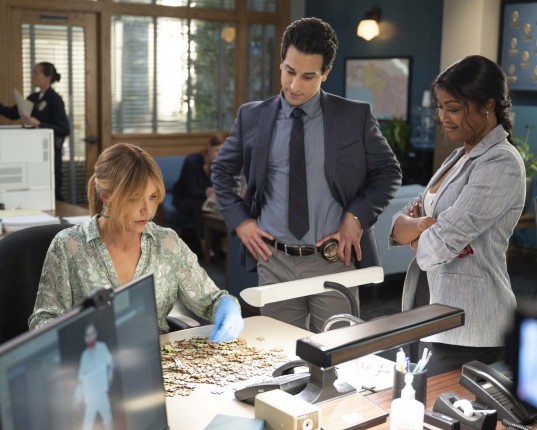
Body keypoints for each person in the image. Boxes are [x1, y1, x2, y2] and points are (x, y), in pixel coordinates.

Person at [211, 17, 402, 333]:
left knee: (339, 348)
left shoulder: (354, 117)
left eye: (308, 76)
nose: (295, 85)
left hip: (334, 260)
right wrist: (241, 222)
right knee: (280, 352)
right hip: (274, 261)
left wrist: (355, 218)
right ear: (281, 63)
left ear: (326, 73)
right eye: (289, 71)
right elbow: (221, 171)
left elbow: (388, 171)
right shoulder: (252, 116)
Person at [390, 55, 526, 376]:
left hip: (470, 323)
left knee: (439, 404)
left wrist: (420, 234)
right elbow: (397, 227)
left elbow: (435, 249)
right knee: (414, 397)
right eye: (440, 107)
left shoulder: (501, 163)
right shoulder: (457, 156)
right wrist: (425, 224)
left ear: (487, 105)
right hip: (429, 307)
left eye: (452, 108)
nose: (442, 118)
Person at [29, 142, 243, 342]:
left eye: (152, 197)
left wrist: (226, 308)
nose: (147, 210)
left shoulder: (167, 243)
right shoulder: (68, 246)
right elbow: (43, 319)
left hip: (159, 359)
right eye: (134, 198)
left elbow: (211, 300)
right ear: (105, 195)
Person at [0, 62, 70, 201]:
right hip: (32, 154)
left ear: (47, 77)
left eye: (36, 73)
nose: (32, 76)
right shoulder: (33, 98)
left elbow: (64, 129)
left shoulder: (55, 99)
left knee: (53, 193)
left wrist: (39, 124)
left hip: (50, 154)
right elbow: (12, 113)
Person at [171, 133, 225, 255]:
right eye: (217, 150)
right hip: (183, 197)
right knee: (199, 205)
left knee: (217, 203)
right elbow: (192, 190)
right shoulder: (192, 161)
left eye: (222, 152)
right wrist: (207, 192)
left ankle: (220, 243)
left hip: (203, 198)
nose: (219, 155)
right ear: (209, 147)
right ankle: (204, 244)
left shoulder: (218, 165)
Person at [76, 323, 114, 430]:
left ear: (96, 334)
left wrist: (110, 376)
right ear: (85, 338)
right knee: (87, 425)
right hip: (91, 397)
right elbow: (81, 379)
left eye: (92, 333)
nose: (91, 337)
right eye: (88, 335)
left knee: (108, 420)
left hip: (102, 393)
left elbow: (111, 363)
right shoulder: (84, 356)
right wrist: (78, 396)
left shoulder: (102, 347)